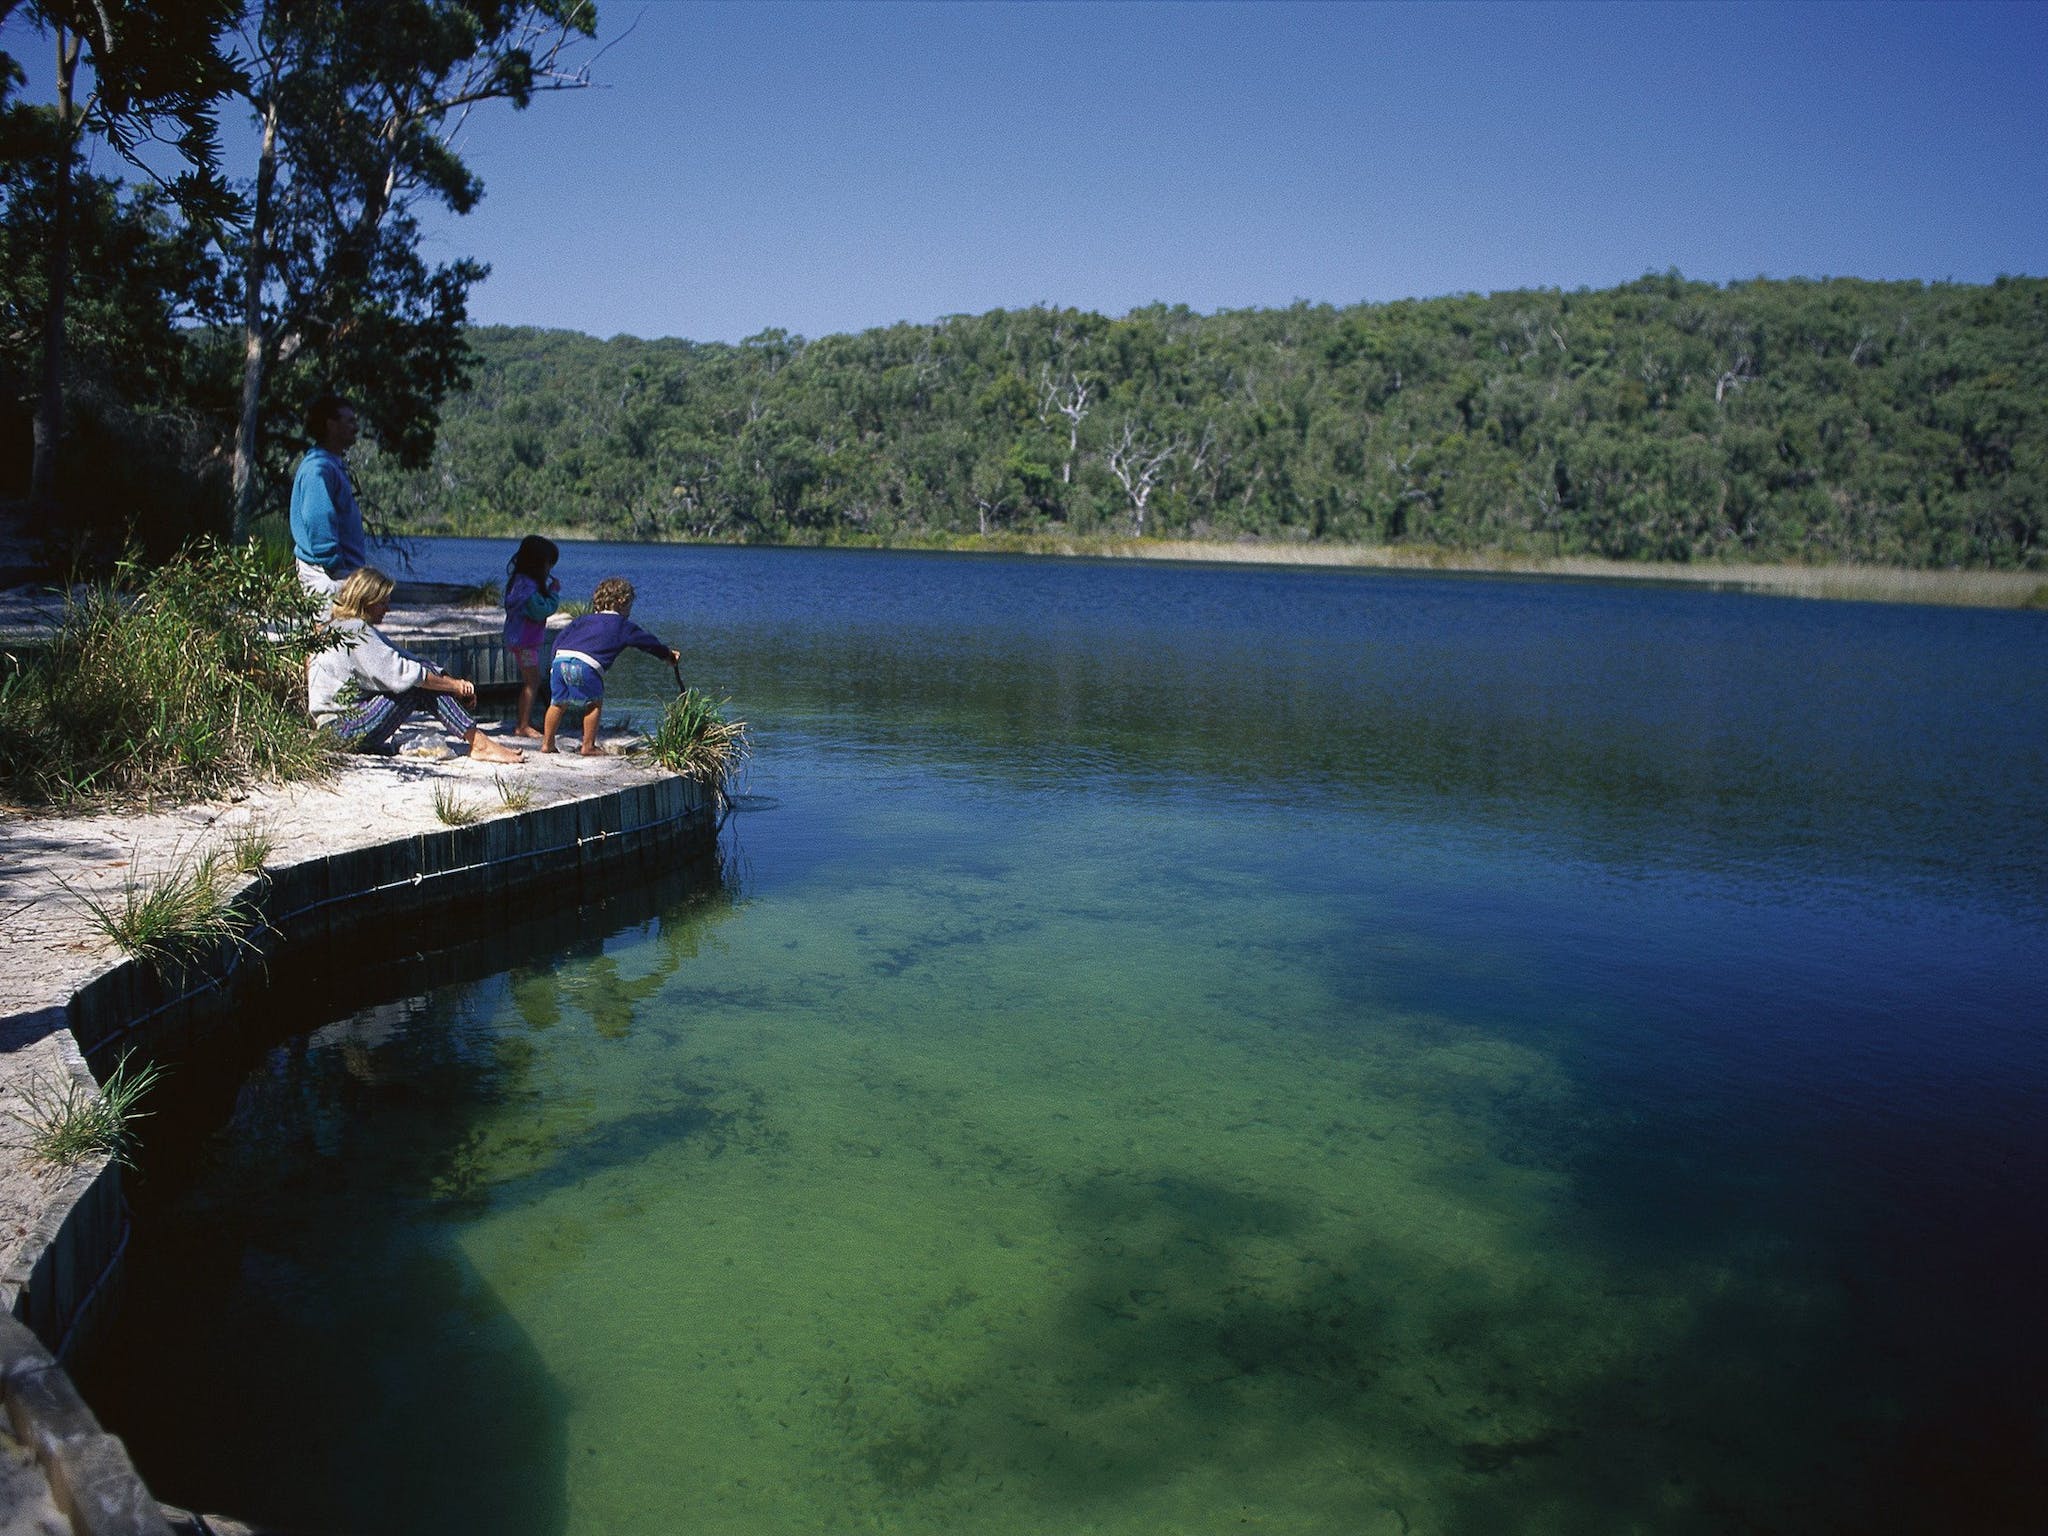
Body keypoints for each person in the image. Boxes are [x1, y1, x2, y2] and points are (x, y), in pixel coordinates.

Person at [309, 567, 523, 765]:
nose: (388, 608)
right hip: (342, 730)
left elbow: (409, 659)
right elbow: (407, 674)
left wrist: (456, 684)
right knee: (416, 683)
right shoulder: (356, 631)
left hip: (334, 729)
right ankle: (479, 743)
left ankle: (478, 741)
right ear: (367, 601)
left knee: (422, 674)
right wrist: (453, 687)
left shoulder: (340, 627)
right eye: (383, 602)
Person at [543, 577, 681, 756]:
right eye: (630, 605)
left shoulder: (583, 619)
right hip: (586, 665)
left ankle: (547, 744)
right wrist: (668, 655)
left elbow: (560, 639)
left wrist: (555, 663)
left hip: (560, 660)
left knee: (557, 704)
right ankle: (588, 746)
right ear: (622, 602)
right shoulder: (623, 626)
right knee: (593, 704)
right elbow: (648, 643)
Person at [290, 394, 367, 607]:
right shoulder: (318, 468)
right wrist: (334, 565)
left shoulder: (330, 464)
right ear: (331, 425)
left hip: (340, 575)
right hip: (328, 576)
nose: (356, 427)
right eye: (350, 421)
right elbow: (318, 517)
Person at [502, 535, 562, 739]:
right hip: (525, 641)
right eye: (548, 565)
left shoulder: (519, 582)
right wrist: (554, 594)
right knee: (532, 681)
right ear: (537, 564)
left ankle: (524, 721)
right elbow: (541, 610)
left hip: (519, 639)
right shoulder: (527, 588)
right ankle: (523, 725)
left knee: (531, 680)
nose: (549, 571)